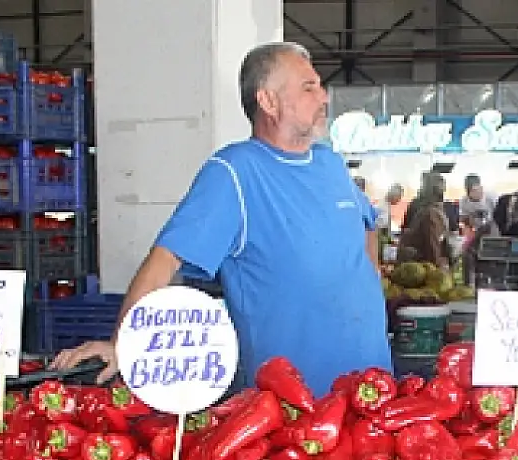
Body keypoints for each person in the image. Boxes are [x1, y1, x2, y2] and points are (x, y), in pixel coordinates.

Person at [52, 41, 388, 396]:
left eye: (319, 86)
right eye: (309, 87)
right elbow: (165, 259)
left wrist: (368, 278)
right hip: (297, 407)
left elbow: (368, 223)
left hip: (373, 389)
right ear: (268, 101)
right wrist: (122, 343)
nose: (323, 98)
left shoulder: (329, 163)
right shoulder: (234, 171)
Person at [398, 171, 451, 268]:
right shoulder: (431, 212)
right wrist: (440, 266)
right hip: (417, 263)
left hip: (414, 261)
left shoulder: (426, 207)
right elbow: (432, 244)